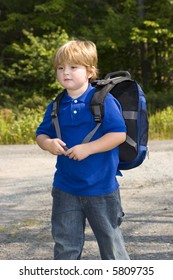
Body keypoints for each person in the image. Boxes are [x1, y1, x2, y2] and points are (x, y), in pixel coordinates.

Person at [36, 40, 130, 260]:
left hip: (102, 189)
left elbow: (118, 134)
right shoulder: (56, 105)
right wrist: (48, 144)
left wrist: (88, 148)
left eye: (73, 67)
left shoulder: (104, 101)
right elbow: (41, 134)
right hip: (65, 188)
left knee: (111, 247)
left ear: (90, 72)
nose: (65, 73)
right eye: (60, 68)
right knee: (65, 246)